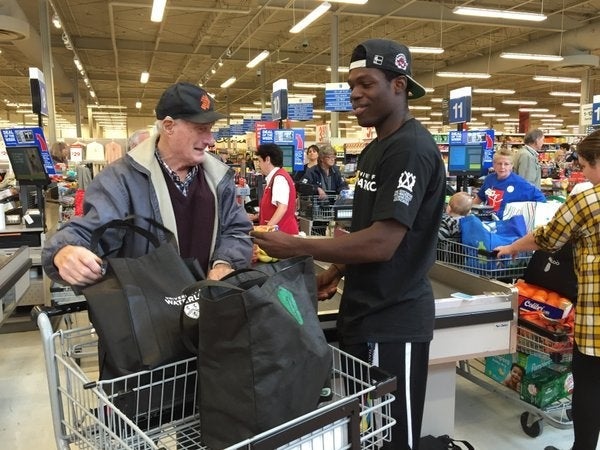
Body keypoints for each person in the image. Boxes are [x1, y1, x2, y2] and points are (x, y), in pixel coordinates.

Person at [252, 38, 446, 450]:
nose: (354, 93)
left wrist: (299, 245)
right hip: (364, 312)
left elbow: (382, 243)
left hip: (395, 321)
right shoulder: (377, 148)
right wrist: (337, 270)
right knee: (370, 436)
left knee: (395, 439)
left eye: (366, 83)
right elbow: (366, 229)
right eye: (351, 84)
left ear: (399, 85)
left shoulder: (410, 149)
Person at [42, 81, 253, 286]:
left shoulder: (217, 176)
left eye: (211, 129)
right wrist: (63, 251)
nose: (211, 140)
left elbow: (236, 229)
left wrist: (225, 263)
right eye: (201, 129)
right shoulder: (121, 179)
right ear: (169, 127)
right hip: (151, 314)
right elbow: (90, 230)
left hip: (210, 308)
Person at [495, 129, 600, 450]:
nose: (583, 173)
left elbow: (547, 238)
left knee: (589, 386)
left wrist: (512, 247)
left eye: (584, 165)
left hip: (596, 318)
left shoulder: (588, 200)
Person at [473, 147, 546, 220]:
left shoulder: (519, 183)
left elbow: (541, 199)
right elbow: (479, 198)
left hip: (507, 225)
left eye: (506, 164)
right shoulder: (489, 179)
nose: (502, 167)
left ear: (511, 166)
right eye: (499, 163)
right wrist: (466, 211)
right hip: (488, 220)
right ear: (494, 165)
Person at [249, 143, 299, 235]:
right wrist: (255, 217)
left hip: (283, 235)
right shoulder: (274, 178)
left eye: (259, 161)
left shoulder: (279, 178)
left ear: (267, 159)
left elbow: (282, 207)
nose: (259, 165)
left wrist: (266, 229)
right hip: (278, 235)